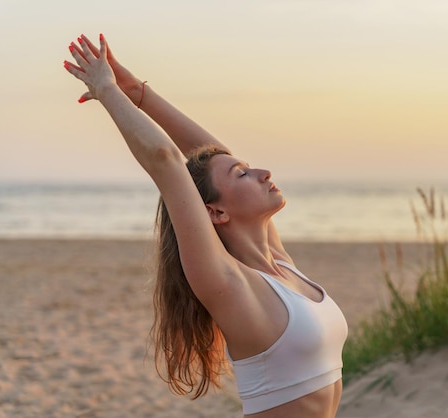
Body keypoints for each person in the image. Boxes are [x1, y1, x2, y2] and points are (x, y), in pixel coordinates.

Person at [63, 34, 348, 417]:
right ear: (215, 213)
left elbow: (215, 156)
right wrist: (108, 91)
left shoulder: (279, 265)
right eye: (244, 174)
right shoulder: (228, 284)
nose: (263, 173)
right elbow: (166, 160)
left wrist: (138, 92)